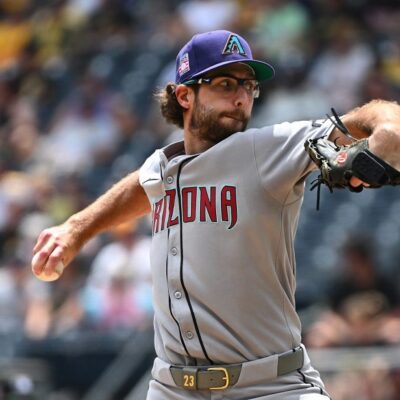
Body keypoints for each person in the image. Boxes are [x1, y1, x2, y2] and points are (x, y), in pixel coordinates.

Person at [31, 30, 400, 399]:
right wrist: (76, 228)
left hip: (271, 386)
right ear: (184, 94)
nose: (241, 97)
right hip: (172, 388)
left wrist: (388, 127)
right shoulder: (161, 167)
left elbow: (365, 117)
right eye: (225, 84)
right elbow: (142, 185)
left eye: (248, 86)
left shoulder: (266, 149)